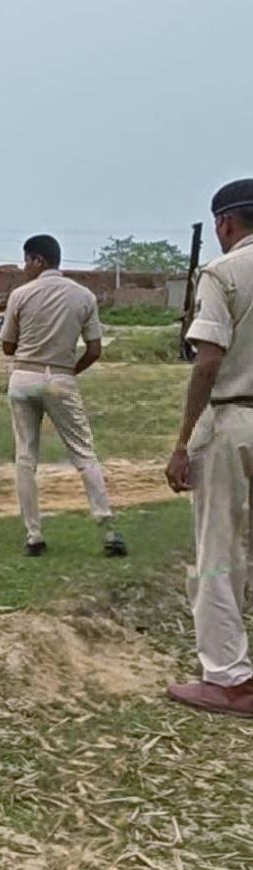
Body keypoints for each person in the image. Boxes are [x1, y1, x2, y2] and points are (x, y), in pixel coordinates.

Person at [165, 179, 253, 718]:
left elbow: (208, 361)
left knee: (218, 550)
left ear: (225, 223)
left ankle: (228, 678)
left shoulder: (224, 272)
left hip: (234, 416)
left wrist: (182, 442)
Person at [0, 234, 127, 558]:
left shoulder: (21, 295)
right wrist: (70, 370)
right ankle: (108, 528)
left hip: (24, 376)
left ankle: (34, 534)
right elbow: (94, 349)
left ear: (38, 260)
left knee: (25, 457)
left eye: (27, 260)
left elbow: (8, 346)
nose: (25, 267)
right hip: (60, 376)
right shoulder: (83, 295)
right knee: (83, 453)